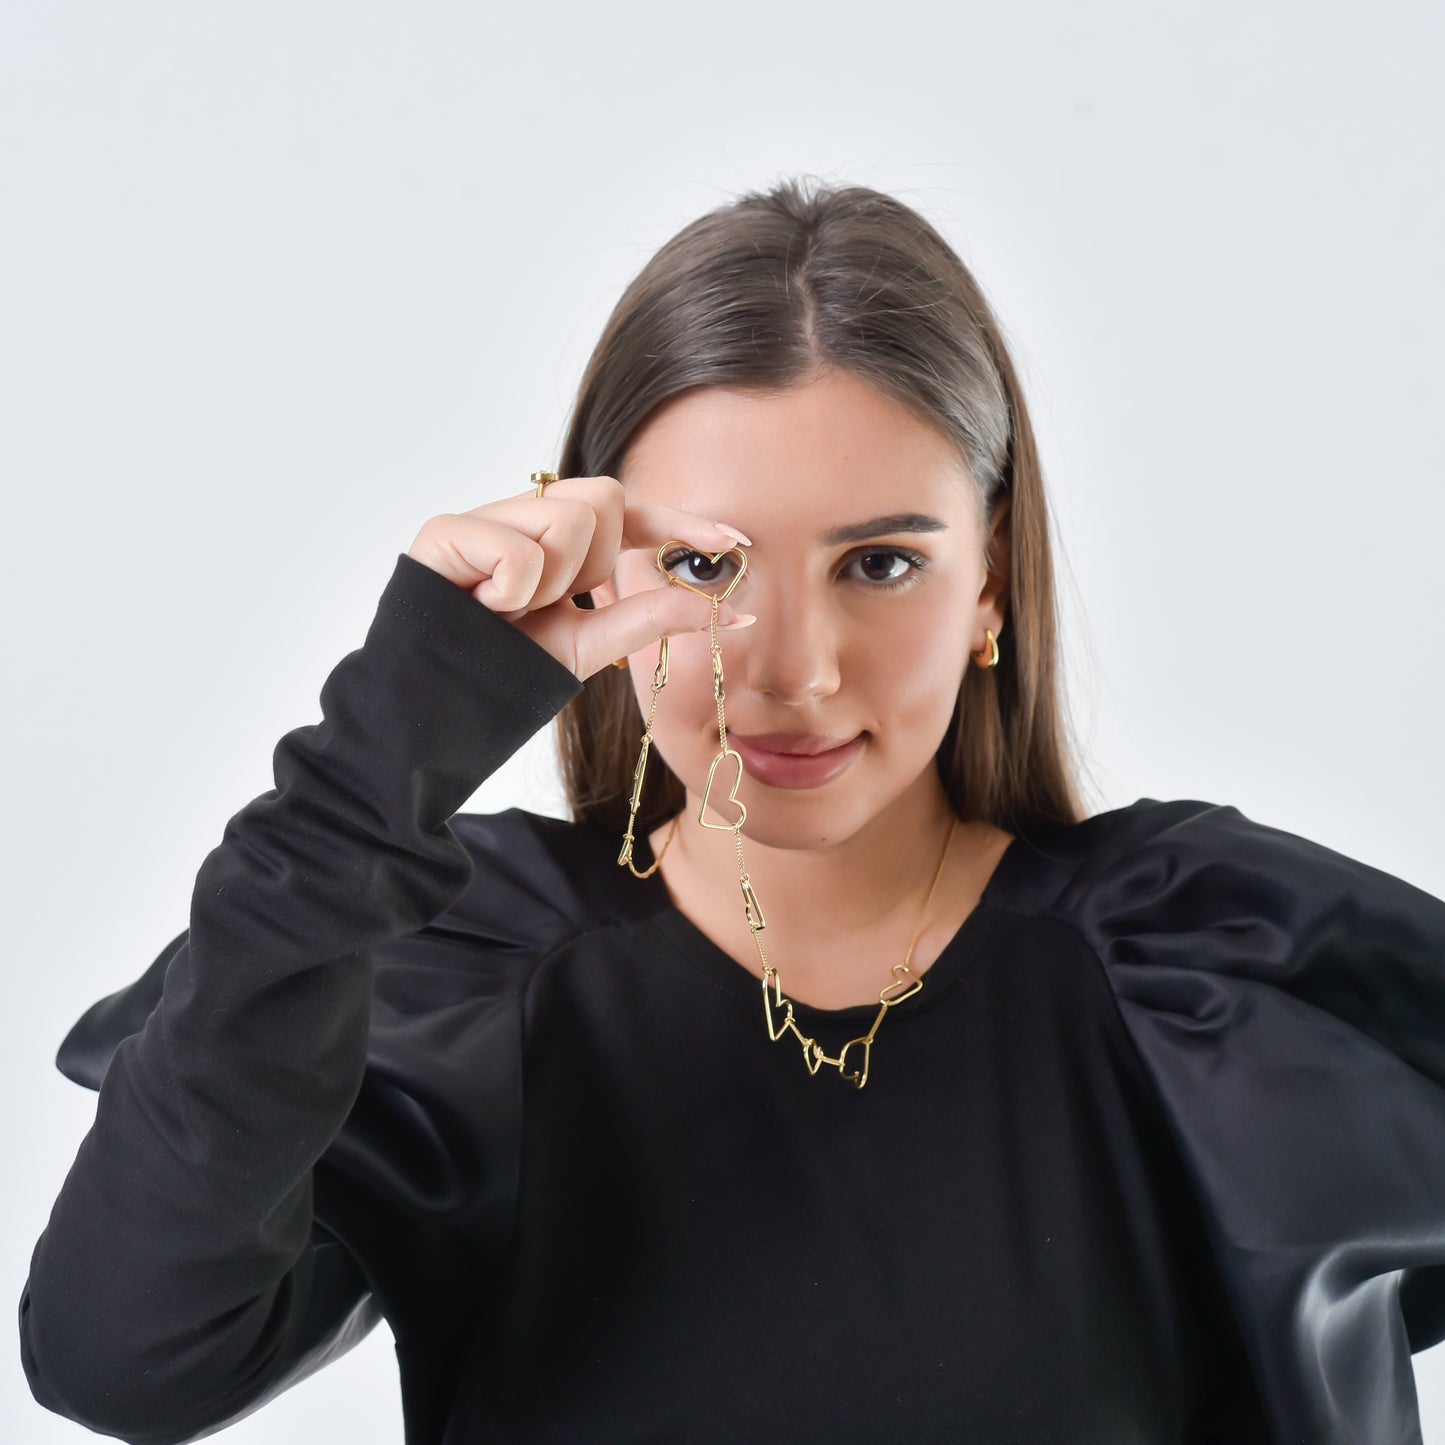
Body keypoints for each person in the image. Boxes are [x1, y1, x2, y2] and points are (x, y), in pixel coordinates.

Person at [16, 177, 1445, 1445]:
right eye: (704, 568)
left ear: (992, 582)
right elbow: (118, 1362)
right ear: (593, 572)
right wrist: (398, 727)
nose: (789, 670)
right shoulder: (476, 982)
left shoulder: (1197, 973)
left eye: (878, 565)